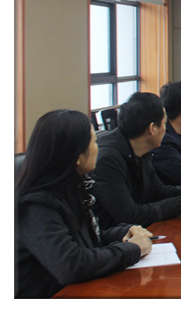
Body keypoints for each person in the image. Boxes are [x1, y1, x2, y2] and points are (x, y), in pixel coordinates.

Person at [15, 110, 153, 298]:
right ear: (77, 156)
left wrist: (122, 233)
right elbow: (71, 264)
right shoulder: (35, 205)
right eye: (94, 142)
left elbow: (85, 238)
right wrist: (133, 249)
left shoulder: (71, 186)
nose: (98, 148)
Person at [90, 93, 181, 229]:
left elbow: (157, 191)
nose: (166, 130)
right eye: (164, 124)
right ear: (152, 128)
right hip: (117, 236)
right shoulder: (107, 159)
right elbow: (129, 215)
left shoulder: (140, 147)